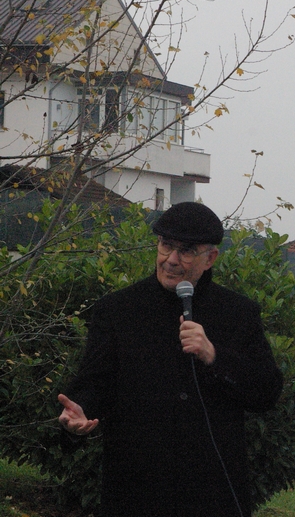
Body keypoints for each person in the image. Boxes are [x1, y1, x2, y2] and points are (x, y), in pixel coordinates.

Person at [57, 201, 283, 517]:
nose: (171, 260)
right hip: (135, 491)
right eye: (166, 245)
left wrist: (214, 356)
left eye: (186, 251)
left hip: (211, 494)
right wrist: (80, 411)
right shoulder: (118, 310)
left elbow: (266, 392)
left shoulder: (239, 314)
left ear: (210, 258)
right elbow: (95, 384)